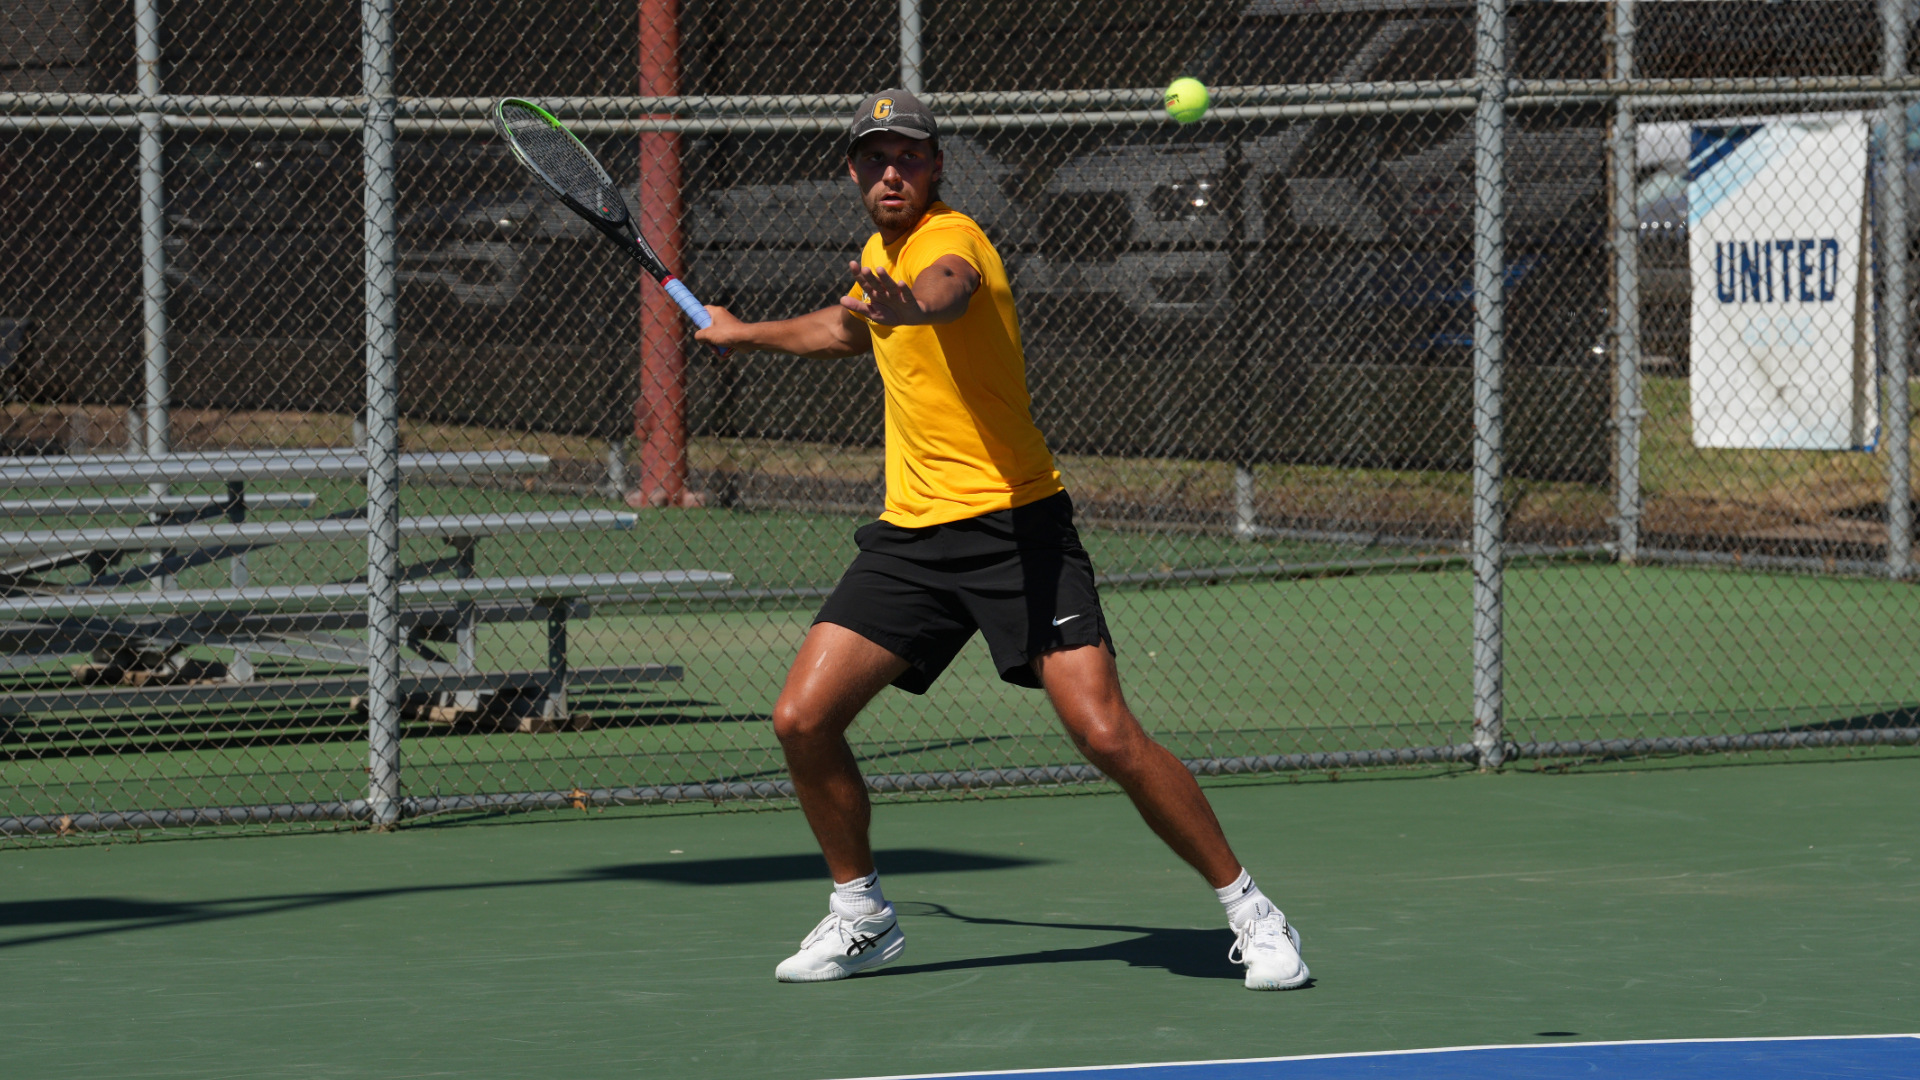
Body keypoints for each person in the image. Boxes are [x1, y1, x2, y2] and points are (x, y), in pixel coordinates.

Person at [693, 88, 1308, 991]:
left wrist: (912, 307)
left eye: (909, 156)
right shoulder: (876, 256)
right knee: (802, 719)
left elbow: (945, 293)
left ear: (936, 166)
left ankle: (1252, 911)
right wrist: (745, 334)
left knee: (1104, 733)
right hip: (912, 536)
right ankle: (862, 913)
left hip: (1016, 527)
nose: (892, 173)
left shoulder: (954, 240)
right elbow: (846, 326)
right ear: (853, 172)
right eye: (875, 159)